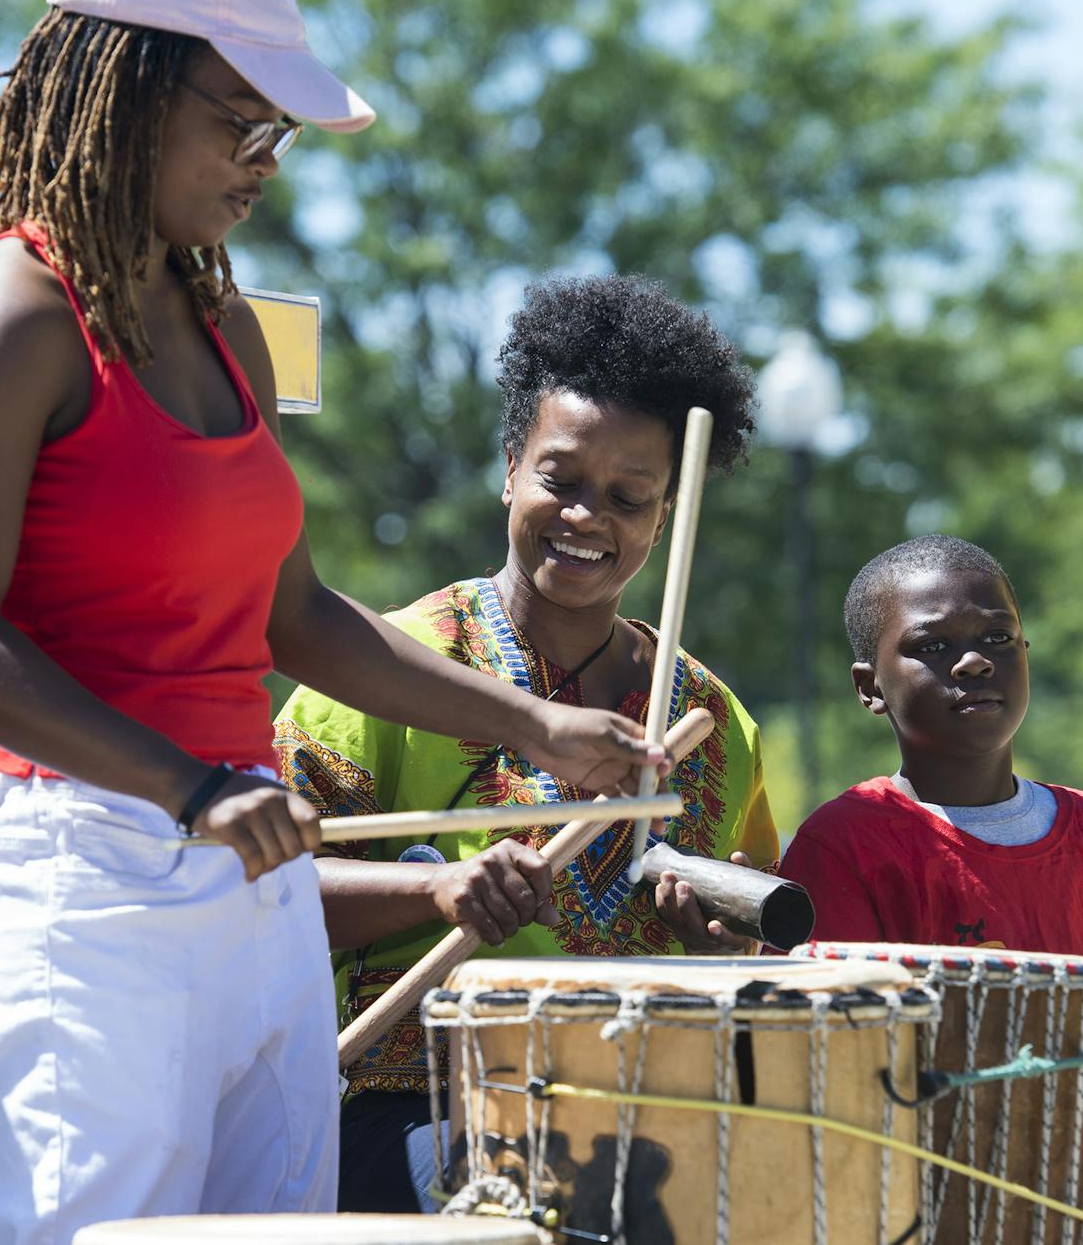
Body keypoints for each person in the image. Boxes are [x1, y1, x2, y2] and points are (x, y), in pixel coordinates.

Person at [0, 0, 668, 1240]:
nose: (262, 159)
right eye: (238, 118)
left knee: (273, 1226)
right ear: (120, 90)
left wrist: (529, 725)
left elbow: (296, 614)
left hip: (247, 864)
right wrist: (187, 786)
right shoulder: (14, 310)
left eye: (274, 131)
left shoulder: (220, 311)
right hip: (81, 862)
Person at [275, 273, 780, 1213]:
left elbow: (751, 951)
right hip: (410, 1104)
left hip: (656, 1107)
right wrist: (432, 890)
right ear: (512, 465)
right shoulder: (379, 674)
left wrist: (714, 939)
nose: (590, 516)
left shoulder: (716, 719)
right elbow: (250, 898)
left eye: (631, 497)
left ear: (666, 515)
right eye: (562, 480)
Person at [778, 534, 1083, 1088]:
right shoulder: (843, 843)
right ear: (870, 687)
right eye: (933, 646)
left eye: (997, 637)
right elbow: (834, 1052)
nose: (972, 661)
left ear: (1024, 653)